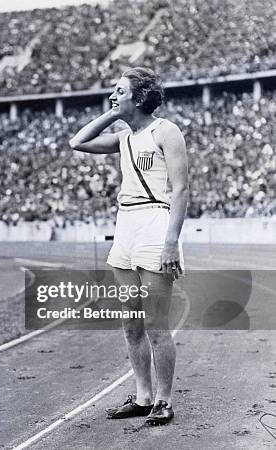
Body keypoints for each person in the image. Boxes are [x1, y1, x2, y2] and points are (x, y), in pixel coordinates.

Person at [69, 67, 188, 425]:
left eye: (119, 91)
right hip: (125, 226)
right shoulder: (122, 137)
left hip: (155, 223)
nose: (112, 96)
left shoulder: (165, 131)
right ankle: (142, 396)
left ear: (139, 96)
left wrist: (171, 243)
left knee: (155, 323)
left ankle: (163, 401)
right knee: (131, 322)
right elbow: (78, 142)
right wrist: (113, 113)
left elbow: (181, 191)